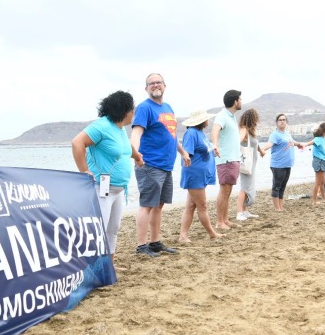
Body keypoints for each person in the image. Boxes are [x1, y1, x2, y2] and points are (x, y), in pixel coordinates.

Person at [72, 90, 142, 260]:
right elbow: (77, 143)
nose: (134, 113)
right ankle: (93, 266)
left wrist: (138, 157)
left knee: (113, 229)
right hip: (101, 188)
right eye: (133, 109)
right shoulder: (101, 126)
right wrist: (84, 170)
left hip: (118, 190)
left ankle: (108, 265)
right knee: (99, 229)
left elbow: (126, 148)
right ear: (125, 110)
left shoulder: (119, 129)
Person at [130, 73, 189, 257]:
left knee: (159, 205)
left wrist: (183, 152)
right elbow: (136, 133)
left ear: (165, 85)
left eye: (158, 82)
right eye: (151, 83)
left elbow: (171, 134)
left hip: (166, 166)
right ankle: (141, 246)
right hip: (150, 164)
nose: (155, 85)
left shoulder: (167, 107)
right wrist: (135, 154)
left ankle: (155, 242)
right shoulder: (144, 108)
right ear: (146, 88)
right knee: (147, 204)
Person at [178, 110, 222, 242]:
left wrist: (213, 149)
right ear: (201, 121)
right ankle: (212, 233)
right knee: (202, 206)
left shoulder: (200, 133)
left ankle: (183, 235)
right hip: (194, 174)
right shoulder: (191, 133)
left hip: (199, 174)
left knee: (191, 206)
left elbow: (204, 148)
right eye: (206, 119)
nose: (208, 121)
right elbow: (187, 153)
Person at [211, 90, 242, 229]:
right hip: (226, 159)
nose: (241, 102)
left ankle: (225, 219)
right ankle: (219, 222)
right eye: (240, 99)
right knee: (224, 190)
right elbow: (215, 130)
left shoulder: (231, 117)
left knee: (228, 191)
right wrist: (215, 145)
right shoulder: (222, 116)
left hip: (234, 158)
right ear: (235, 101)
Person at [258, 114, 303, 211]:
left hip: (287, 164)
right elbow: (269, 143)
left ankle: (281, 206)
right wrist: (262, 149)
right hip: (278, 165)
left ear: (286, 122)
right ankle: (277, 208)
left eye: (284, 120)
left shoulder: (287, 133)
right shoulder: (275, 134)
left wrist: (298, 144)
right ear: (276, 122)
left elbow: (292, 141)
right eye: (280, 120)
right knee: (276, 186)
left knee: (283, 186)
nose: (282, 121)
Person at [235, 108, 264, 221]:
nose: (257, 120)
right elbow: (239, 140)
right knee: (245, 187)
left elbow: (254, 143)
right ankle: (239, 212)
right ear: (252, 118)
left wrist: (261, 151)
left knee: (248, 186)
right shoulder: (244, 129)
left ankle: (245, 211)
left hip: (251, 163)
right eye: (256, 118)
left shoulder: (250, 131)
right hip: (246, 163)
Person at [301, 122, 325, 205]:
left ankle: (324, 198)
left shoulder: (323, 139)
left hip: (323, 161)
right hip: (318, 161)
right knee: (318, 182)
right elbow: (310, 142)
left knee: (323, 181)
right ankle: (314, 201)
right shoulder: (318, 139)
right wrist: (304, 145)